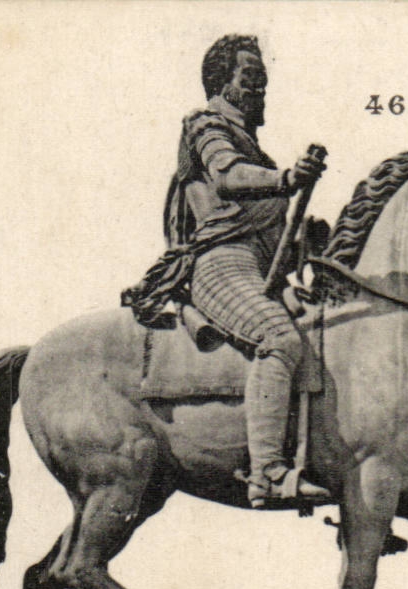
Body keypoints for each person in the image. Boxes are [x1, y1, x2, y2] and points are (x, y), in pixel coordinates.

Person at [122, 34, 330, 508]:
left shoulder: (257, 151)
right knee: (278, 339)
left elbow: (273, 235)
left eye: (263, 82)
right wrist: (286, 180)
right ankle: (268, 474)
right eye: (249, 80)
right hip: (220, 266)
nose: (259, 91)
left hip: (259, 269)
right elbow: (228, 177)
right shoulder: (205, 126)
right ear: (222, 83)